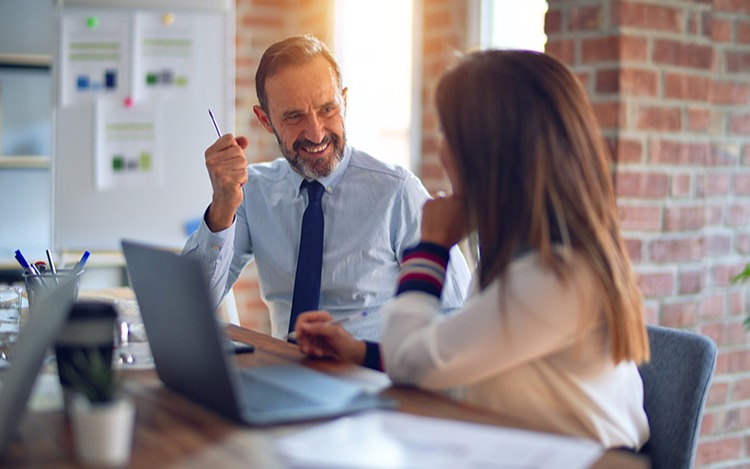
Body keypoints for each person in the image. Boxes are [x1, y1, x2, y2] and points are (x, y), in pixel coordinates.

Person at [294, 49, 651, 449]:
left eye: (449, 133)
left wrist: (431, 247)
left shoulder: (558, 275)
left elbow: (416, 365)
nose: (442, 149)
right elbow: (459, 358)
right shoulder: (521, 251)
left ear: (489, 153)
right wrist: (361, 352)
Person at [182, 34, 471, 341]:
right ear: (265, 120)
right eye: (294, 116)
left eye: (327, 109)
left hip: (370, 377)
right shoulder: (253, 192)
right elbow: (189, 302)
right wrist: (222, 206)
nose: (316, 133)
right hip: (286, 371)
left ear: (344, 101)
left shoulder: (397, 192)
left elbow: (457, 315)